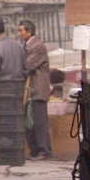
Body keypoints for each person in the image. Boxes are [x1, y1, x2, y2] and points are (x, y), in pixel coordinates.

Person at [18, 20, 53, 160]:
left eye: (21, 31)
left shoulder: (38, 46)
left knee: (39, 122)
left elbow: (28, 66)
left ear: (29, 32)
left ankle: (45, 151)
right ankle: (34, 150)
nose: (19, 34)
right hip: (29, 91)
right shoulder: (26, 46)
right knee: (29, 122)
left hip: (38, 90)